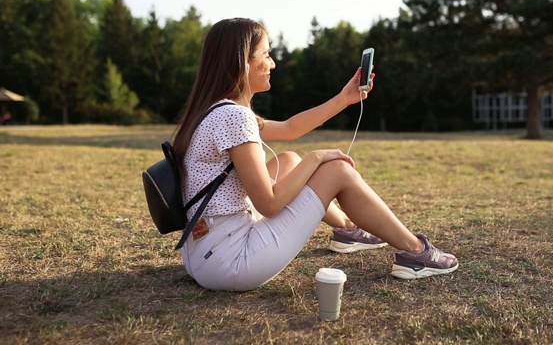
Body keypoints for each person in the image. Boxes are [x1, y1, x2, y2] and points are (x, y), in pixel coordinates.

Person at [173, 18, 458, 292]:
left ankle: (347, 229)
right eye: (266, 55)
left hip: (202, 252)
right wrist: (317, 157)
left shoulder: (213, 109)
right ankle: (417, 253)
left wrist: (345, 98)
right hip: (231, 261)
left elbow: (289, 128)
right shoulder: (234, 117)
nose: (272, 63)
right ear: (242, 63)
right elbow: (269, 203)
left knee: (288, 160)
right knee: (337, 171)